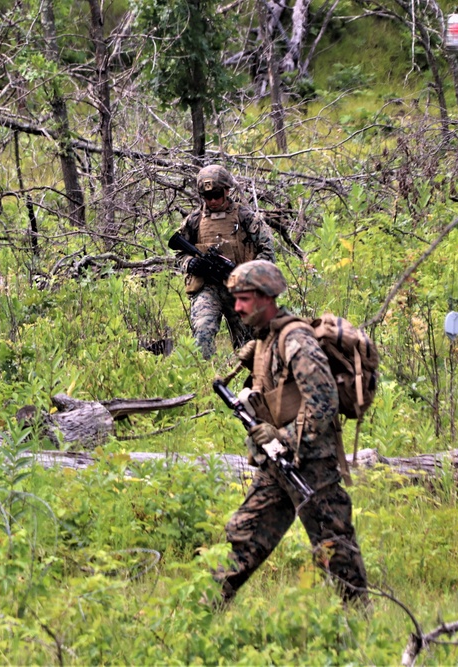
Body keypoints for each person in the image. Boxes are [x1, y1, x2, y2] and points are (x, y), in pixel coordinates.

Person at [213, 259, 369, 606]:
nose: (236, 306)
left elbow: (324, 401)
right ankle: (202, 609)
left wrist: (283, 439)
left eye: (244, 298)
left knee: (334, 546)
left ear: (266, 298)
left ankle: (362, 621)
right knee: (245, 535)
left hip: (311, 463)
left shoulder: (295, 339)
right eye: (235, 298)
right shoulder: (265, 340)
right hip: (278, 464)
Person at [175, 165, 275, 359]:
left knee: (248, 346)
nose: (212, 201)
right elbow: (178, 254)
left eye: (217, 195)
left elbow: (268, 252)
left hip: (240, 288)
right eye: (207, 196)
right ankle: (204, 378)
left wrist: (248, 275)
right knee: (202, 334)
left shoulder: (245, 217)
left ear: (227, 190)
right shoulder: (194, 220)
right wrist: (190, 263)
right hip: (207, 287)